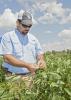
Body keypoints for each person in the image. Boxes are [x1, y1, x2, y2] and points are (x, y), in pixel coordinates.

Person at [1, 11, 46, 78]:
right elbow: (7, 58)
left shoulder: (33, 39)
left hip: (30, 75)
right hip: (12, 76)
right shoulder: (8, 36)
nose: (27, 28)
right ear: (17, 23)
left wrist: (41, 60)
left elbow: (39, 53)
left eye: (29, 26)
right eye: (24, 25)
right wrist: (27, 65)